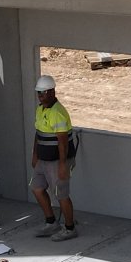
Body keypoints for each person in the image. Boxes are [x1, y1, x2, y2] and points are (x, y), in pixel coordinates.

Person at [31, 74, 79, 241]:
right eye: (38, 93)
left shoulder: (58, 113)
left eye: (43, 93)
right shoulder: (40, 109)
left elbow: (63, 142)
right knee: (37, 188)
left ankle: (69, 228)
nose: (40, 96)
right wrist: (35, 155)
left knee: (61, 194)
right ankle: (51, 223)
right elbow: (38, 134)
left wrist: (63, 165)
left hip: (58, 161)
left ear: (52, 92)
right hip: (43, 160)